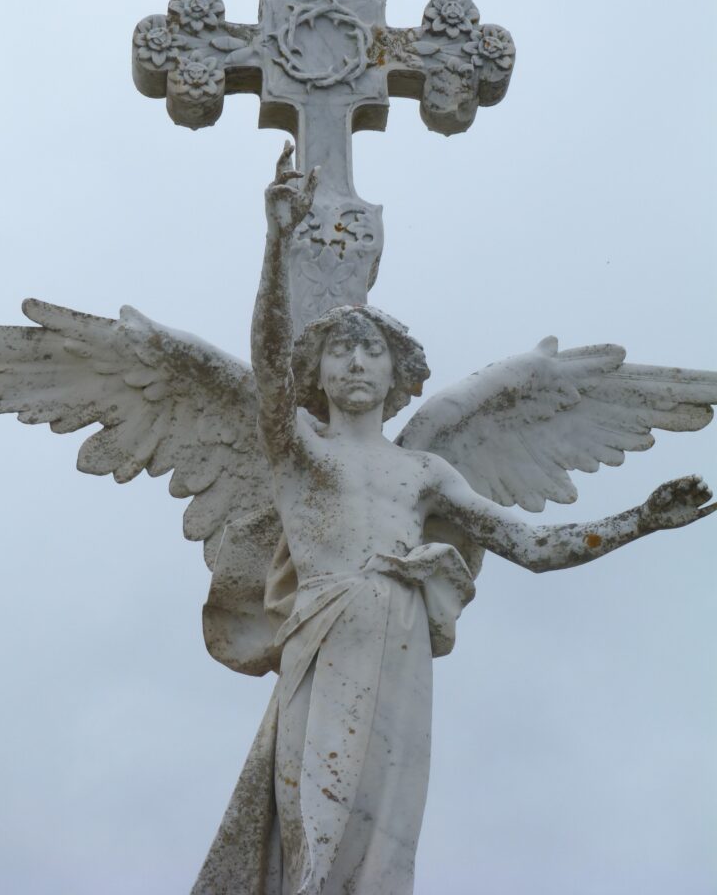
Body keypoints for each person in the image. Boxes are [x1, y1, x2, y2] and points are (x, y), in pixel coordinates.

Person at [196, 144, 714, 895]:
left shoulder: (425, 473)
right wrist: (277, 242)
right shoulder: (301, 452)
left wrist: (643, 519)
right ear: (318, 371)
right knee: (313, 831)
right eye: (339, 351)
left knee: (383, 848)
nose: (355, 363)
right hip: (325, 644)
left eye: (370, 350)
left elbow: (533, 546)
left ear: (396, 373)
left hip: (401, 651)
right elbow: (268, 367)